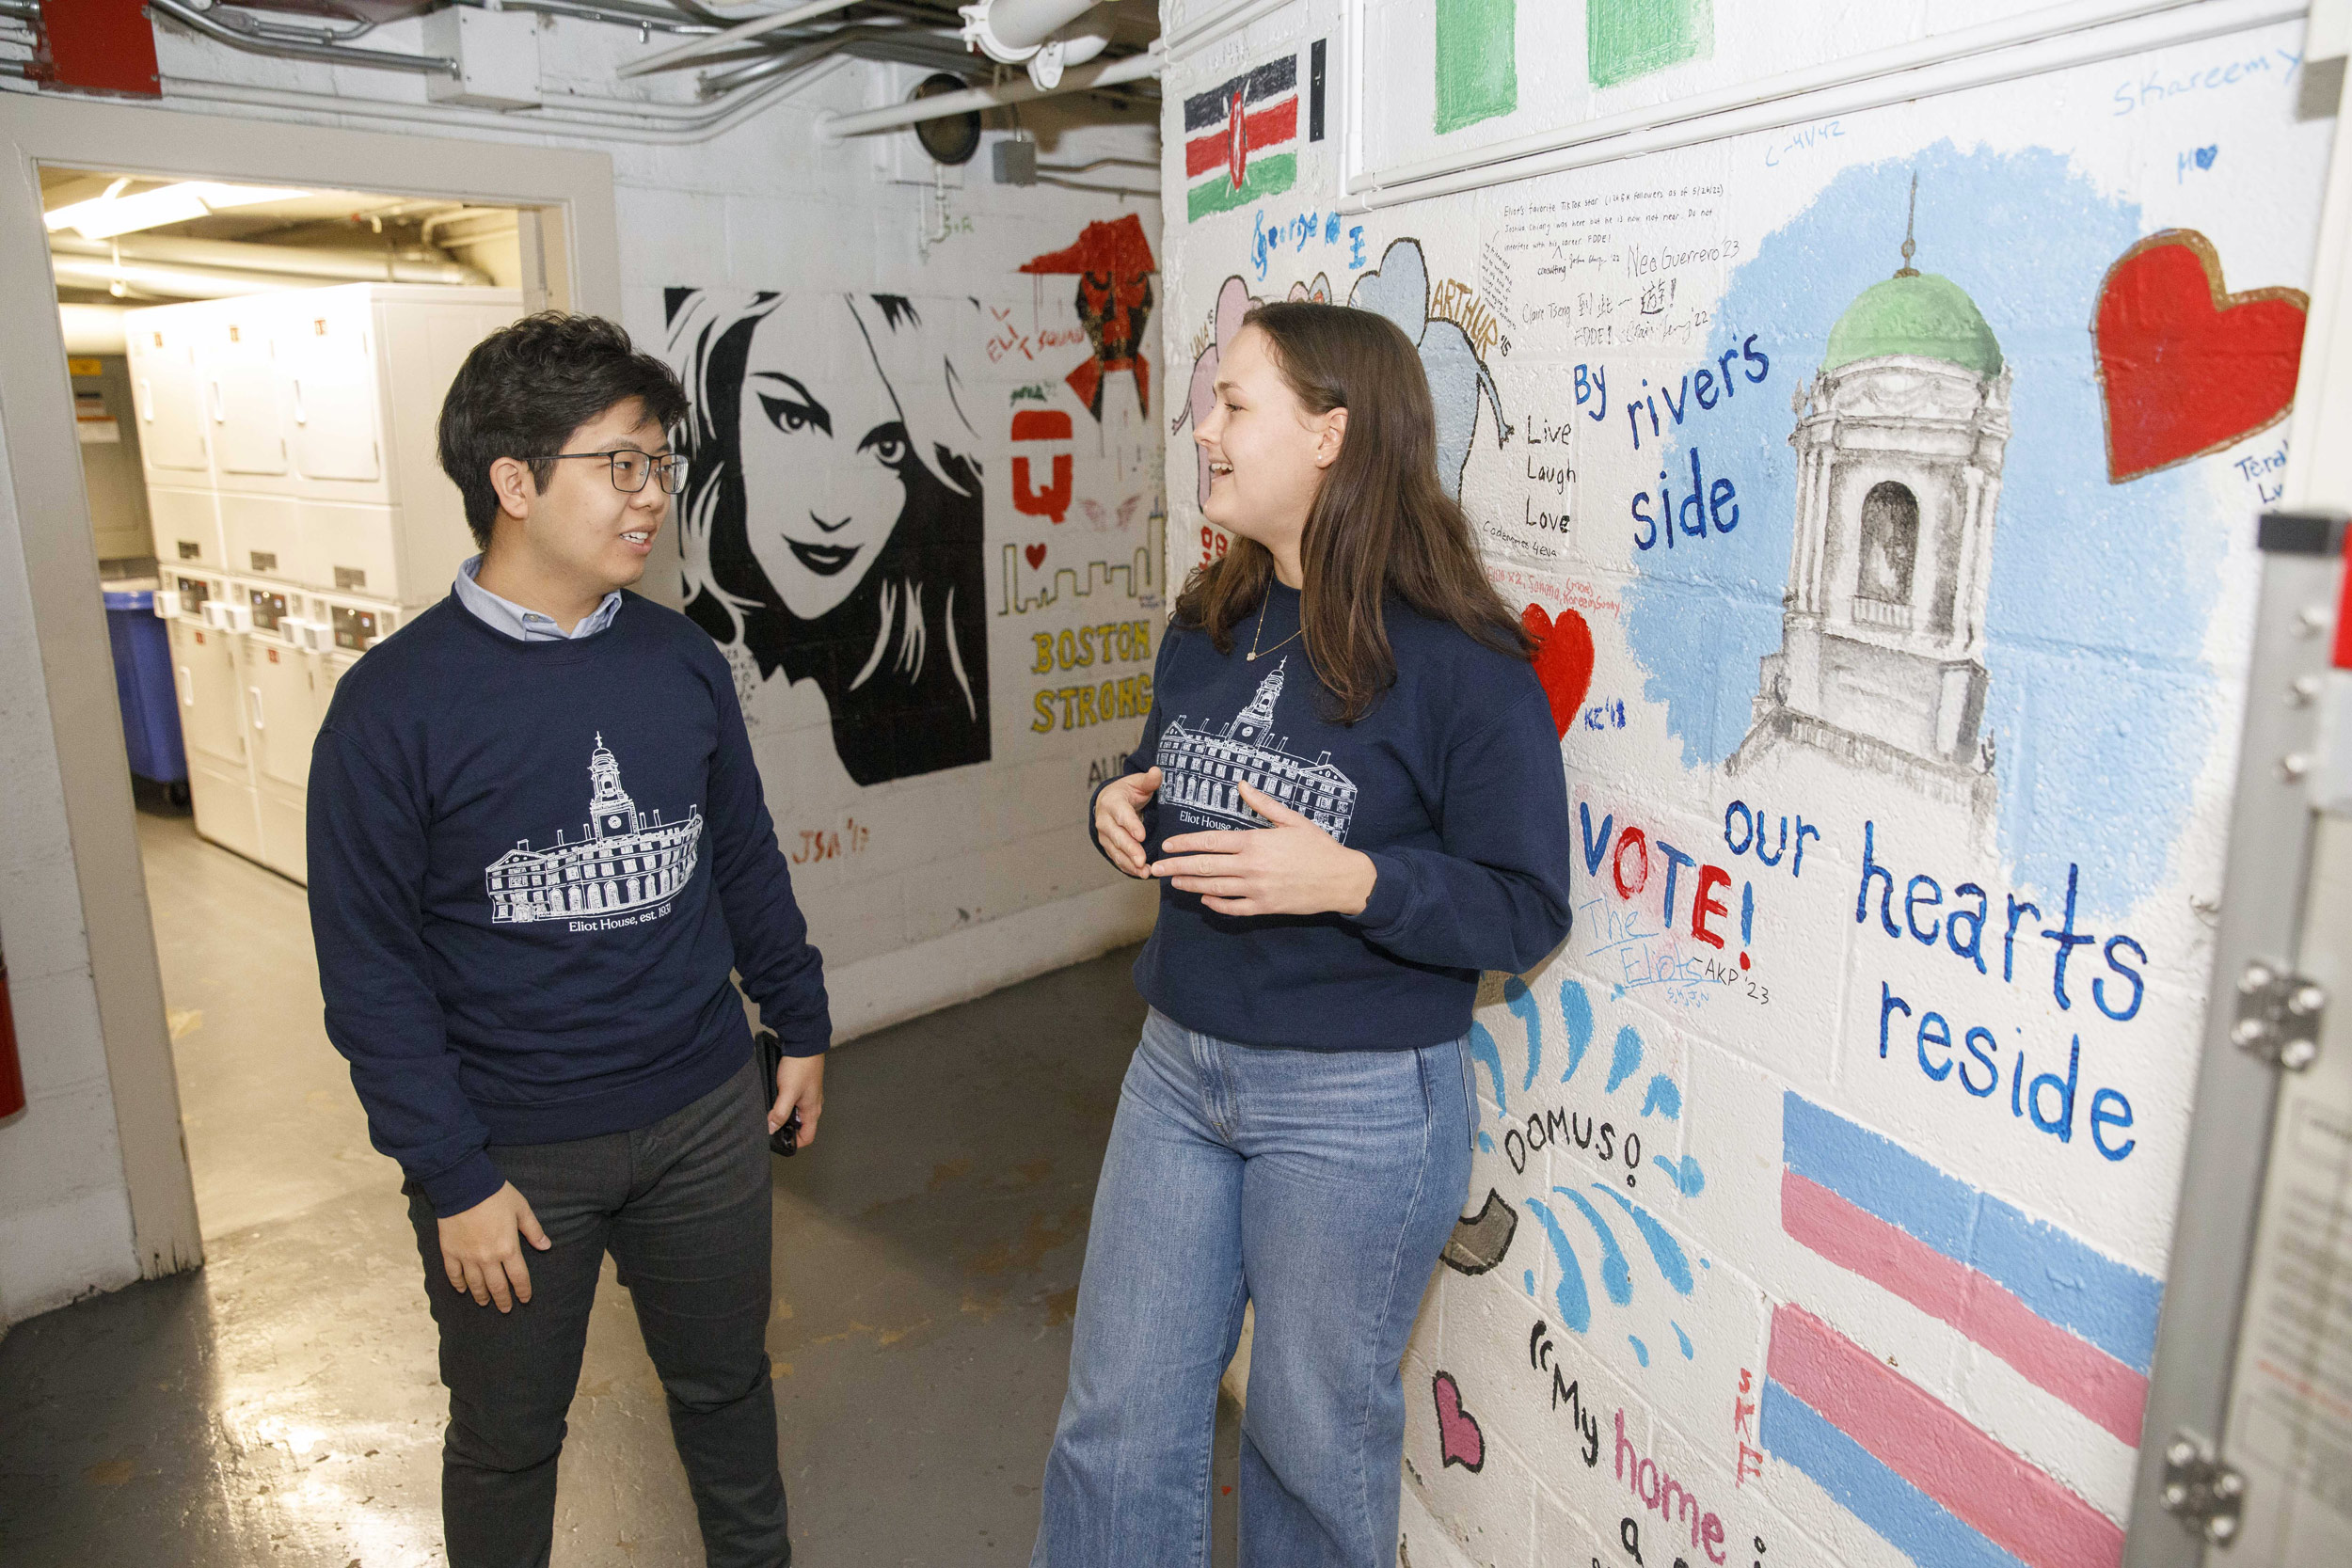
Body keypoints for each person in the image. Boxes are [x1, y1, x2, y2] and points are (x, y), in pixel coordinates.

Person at [1032, 302, 1577, 1567]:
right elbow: (1178, 769)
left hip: (1358, 1098)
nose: (1205, 431)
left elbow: (1523, 905)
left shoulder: (1462, 658)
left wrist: (1350, 881)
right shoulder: (1213, 615)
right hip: (1178, 1064)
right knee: (1116, 1424)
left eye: (1233, 403)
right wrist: (1120, 793)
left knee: (1306, 1449)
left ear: (1331, 433)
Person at [307, 311, 830, 1568]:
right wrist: (453, 1173)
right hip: (512, 1153)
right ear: (514, 480)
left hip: (705, 1111)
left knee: (727, 1392)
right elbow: (369, 972)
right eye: (623, 463)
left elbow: (742, 855)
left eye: (663, 462)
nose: (654, 496)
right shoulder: (392, 706)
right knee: (506, 1435)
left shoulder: (682, 660)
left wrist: (799, 1018)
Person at [666, 289, 990, 784]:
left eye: (886, 447)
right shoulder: (676, 652)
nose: (832, 513)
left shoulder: (935, 681)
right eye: (793, 419)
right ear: (722, 417)